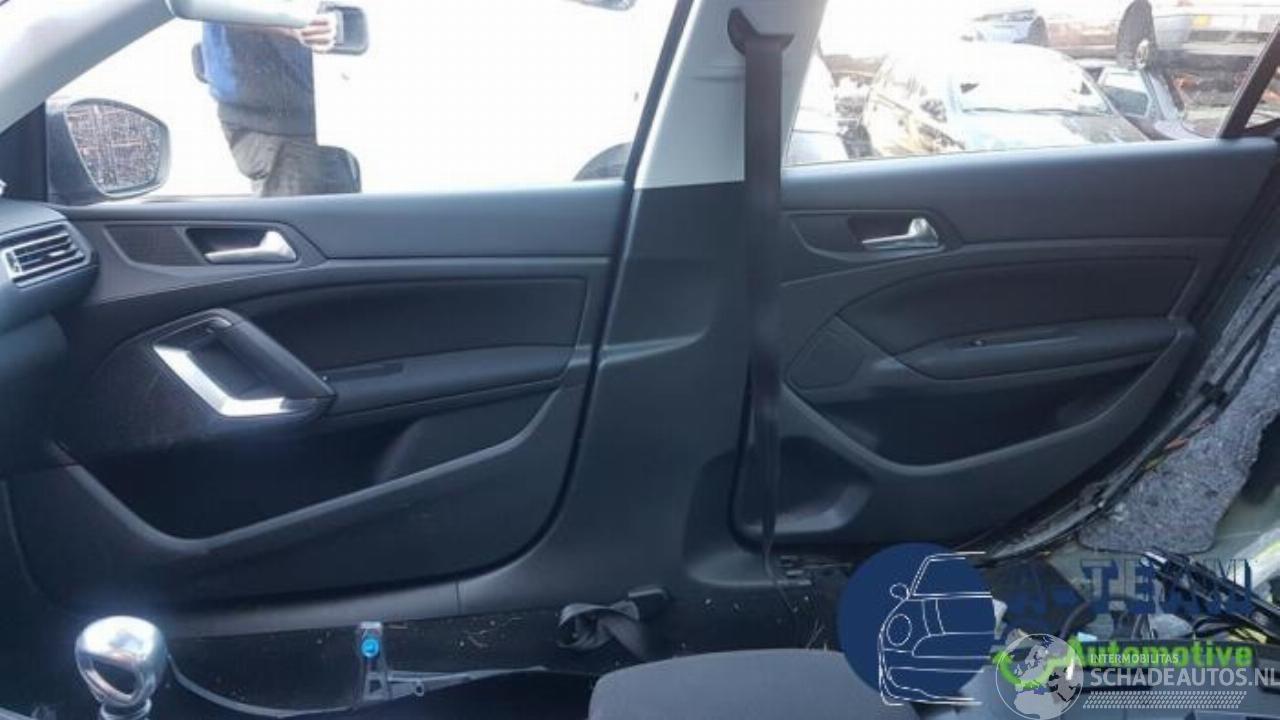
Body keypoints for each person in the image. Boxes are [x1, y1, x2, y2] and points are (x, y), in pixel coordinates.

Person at [198, 13, 360, 197]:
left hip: (333, 108)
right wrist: (293, 23)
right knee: (298, 210)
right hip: (274, 123)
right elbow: (227, 7)